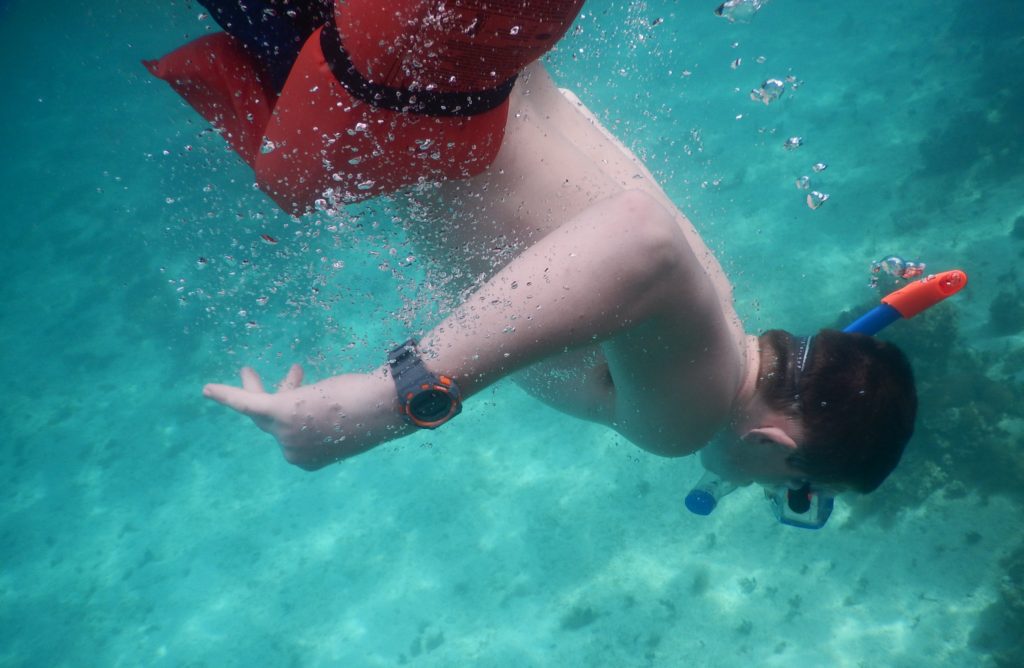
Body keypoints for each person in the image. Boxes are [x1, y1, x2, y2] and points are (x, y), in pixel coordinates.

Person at [153, 2, 917, 495]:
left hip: (455, 47)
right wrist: (389, 403)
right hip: (406, 77)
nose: (773, 493)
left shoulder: (711, 305)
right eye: (799, 492)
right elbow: (636, 241)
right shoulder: (688, 416)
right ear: (777, 448)